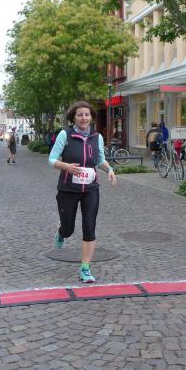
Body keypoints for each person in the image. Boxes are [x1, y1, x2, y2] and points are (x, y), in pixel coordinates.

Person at [49, 101, 117, 284]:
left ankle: (85, 268)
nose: (84, 118)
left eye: (87, 114)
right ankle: (62, 231)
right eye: (80, 114)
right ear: (74, 117)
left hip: (91, 189)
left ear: (91, 117)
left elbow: (100, 160)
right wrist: (66, 167)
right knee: (68, 229)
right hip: (68, 188)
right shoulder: (65, 134)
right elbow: (52, 159)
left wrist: (109, 170)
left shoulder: (97, 136)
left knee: (89, 226)